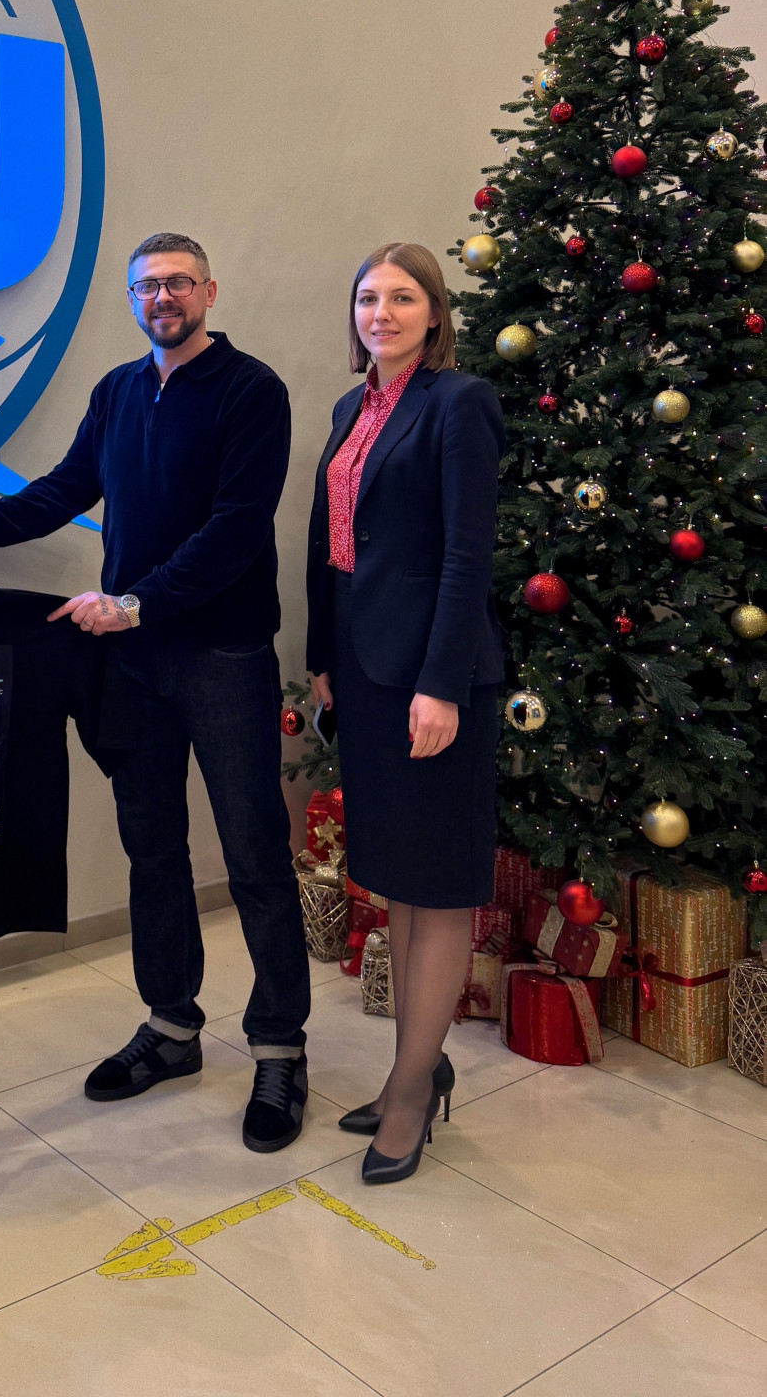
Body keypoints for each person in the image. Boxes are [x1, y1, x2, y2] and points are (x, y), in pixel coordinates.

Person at [0, 234, 312, 1153]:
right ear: (132, 299)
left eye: (177, 283)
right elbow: (63, 489)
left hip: (221, 656)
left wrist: (136, 603)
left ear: (209, 291)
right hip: (133, 663)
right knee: (153, 848)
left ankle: (279, 1047)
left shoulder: (252, 390)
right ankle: (172, 1025)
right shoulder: (118, 391)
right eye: (146, 286)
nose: (162, 298)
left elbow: (235, 531)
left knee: (255, 853)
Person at [304, 242, 504, 1185]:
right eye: (367, 297)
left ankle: (414, 1090)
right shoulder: (352, 409)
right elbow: (332, 546)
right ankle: (414, 1067)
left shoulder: (459, 402)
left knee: (439, 884)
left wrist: (442, 683)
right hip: (364, 670)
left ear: (435, 313)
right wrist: (323, 660)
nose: (380, 312)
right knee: (398, 883)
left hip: (430, 675)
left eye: (402, 297)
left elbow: (467, 555)